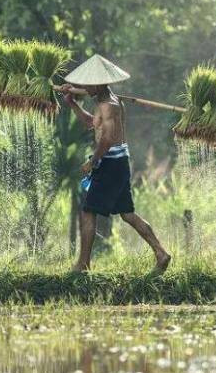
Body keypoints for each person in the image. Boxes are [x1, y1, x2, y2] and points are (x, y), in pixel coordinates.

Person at [58, 54, 171, 274]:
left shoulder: (109, 105)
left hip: (111, 163)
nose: (84, 86)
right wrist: (72, 103)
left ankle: (83, 265)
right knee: (127, 214)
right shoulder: (103, 102)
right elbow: (92, 123)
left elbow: (107, 139)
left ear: (100, 83)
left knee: (88, 211)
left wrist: (93, 161)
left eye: (89, 83)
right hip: (117, 162)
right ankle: (161, 253)